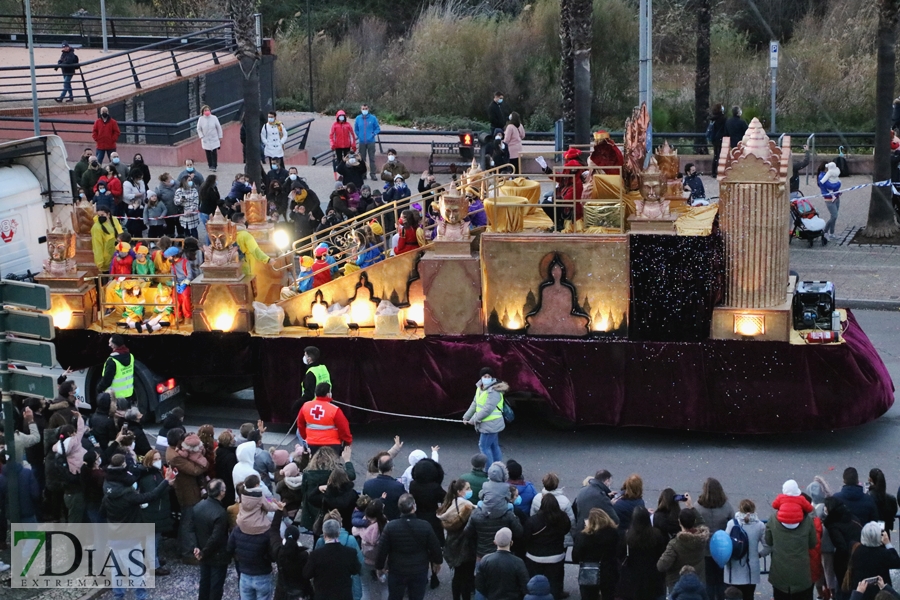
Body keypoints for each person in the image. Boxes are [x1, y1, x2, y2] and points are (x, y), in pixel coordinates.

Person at [101, 453, 176, 599]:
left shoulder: (107, 490)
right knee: (135, 568)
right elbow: (151, 496)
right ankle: (141, 596)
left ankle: (118, 595)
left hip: (113, 535)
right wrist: (166, 481)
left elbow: (102, 512)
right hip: (129, 535)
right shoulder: (128, 494)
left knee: (117, 568)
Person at [374, 493, 443, 600]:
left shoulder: (391, 526)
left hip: (397, 569)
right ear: (413, 507)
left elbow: (382, 549)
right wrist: (437, 561)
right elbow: (435, 546)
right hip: (419, 569)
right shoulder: (425, 525)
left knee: (395, 596)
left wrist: (379, 567)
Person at [227, 486, 280, 600]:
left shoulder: (238, 528)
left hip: (245, 575)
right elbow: (273, 556)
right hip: (262, 575)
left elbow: (229, 548)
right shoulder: (266, 530)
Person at [765, 501, 817, 600]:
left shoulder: (773, 519)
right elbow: (812, 543)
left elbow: (768, 541)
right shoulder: (807, 521)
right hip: (802, 574)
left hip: (779, 574)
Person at [615, 506, 669, 600]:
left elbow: (619, 555)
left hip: (632, 578)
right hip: (653, 577)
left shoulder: (627, 536)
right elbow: (662, 553)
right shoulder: (657, 535)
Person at [523, 493, 570, 598]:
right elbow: (566, 530)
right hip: (556, 556)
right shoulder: (563, 518)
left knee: (534, 580)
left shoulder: (533, 520)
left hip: (535, 556)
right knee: (555, 582)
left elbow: (526, 537)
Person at [190, 479, 231, 600]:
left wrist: (196, 547)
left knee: (204, 583)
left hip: (203, 552)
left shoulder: (197, 506)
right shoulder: (220, 513)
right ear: (221, 493)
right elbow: (216, 538)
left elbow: (191, 529)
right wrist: (202, 552)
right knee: (216, 587)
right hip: (216, 555)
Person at [695, 477, 734, 600]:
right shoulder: (726, 506)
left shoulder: (698, 507)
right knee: (722, 579)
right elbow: (733, 523)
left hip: (705, 549)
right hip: (723, 548)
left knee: (708, 581)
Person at [723, 499, 770, 600]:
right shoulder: (760, 525)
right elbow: (768, 546)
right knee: (749, 596)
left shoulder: (732, 524)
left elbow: (724, 544)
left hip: (733, 570)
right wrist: (759, 554)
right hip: (751, 572)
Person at [304, 518, 361, 600]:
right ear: (338, 533)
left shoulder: (315, 555)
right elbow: (356, 570)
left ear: (324, 534)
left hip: (323, 596)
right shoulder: (350, 553)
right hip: (344, 596)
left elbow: (307, 574)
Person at [462, 367, 508, 466]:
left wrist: (474, 419)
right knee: (493, 446)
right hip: (489, 423)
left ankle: (489, 471)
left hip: (491, 424)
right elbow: (475, 403)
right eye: (484, 376)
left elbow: (487, 409)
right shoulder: (480, 388)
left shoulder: (494, 390)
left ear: (492, 378)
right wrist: (466, 416)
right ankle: (498, 468)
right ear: (481, 377)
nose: (486, 378)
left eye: (489, 376)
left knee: (484, 447)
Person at [657, 507, 710, 592]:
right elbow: (702, 523)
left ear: (679, 522)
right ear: (694, 521)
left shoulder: (674, 544)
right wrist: (692, 507)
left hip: (677, 586)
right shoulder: (702, 539)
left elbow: (661, 566)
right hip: (698, 583)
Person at [440, 479, 477, 600]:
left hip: (453, 544)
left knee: (457, 575)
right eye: (467, 489)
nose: (470, 491)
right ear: (459, 492)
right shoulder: (466, 506)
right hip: (466, 545)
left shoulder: (449, 505)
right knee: (467, 577)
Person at [138, 450, 174, 576]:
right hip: (153, 512)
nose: (158, 461)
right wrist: (166, 482)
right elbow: (154, 494)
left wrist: (167, 484)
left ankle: (154, 560)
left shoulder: (152, 473)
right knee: (153, 540)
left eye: (159, 458)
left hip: (155, 511)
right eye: (155, 459)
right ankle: (154, 565)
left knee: (154, 539)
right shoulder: (150, 476)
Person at [573, 508, 620, 600]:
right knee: (609, 595)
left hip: (589, 571)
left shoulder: (583, 536)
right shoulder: (613, 533)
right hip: (609, 570)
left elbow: (575, 556)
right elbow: (618, 551)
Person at [296, 381, 352, 455]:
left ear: (315, 393)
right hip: (331, 445)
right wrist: (347, 442)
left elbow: (300, 425)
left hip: (311, 444)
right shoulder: (335, 410)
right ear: (328, 394)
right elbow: (344, 429)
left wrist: (306, 438)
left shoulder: (305, 406)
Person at [474, 527, 530, 600]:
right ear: (511, 543)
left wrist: (489, 595)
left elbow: (479, 585)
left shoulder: (485, 560)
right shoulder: (518, 562)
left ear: (495, 542)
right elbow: (525, 585)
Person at [847, 522, 900, 600]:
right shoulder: (883, 554)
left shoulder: (856, 550)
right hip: (881, 591)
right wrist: (888, 543)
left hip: (862, 589)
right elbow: (897, 562)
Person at [823, 496, 863, 594]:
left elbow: (841, 547)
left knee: (844, 587)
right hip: (859, 552)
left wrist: (837, 562)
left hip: (845, 561)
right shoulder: (851, 516)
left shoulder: (833, 526)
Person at [364, 455, 407, 521]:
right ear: (391, 468)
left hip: (372, 521)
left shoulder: (368, 485)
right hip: (392, 521)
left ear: (378, 468)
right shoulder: (398, 487)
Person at [96, 334, 135, 403]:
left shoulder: (112, 361)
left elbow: (107, 380)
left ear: (114, 345)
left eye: (110, 343)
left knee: (116, 413)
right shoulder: (131, 356)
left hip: (115, 397)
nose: (109, 345)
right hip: (128, 395)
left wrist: (99, 388)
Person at [90, 206, 123, 272]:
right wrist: (100, 262)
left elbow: (120, 233)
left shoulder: (114, 220)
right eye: (98, 215)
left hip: (117, 256)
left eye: (102, 215)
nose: (100, 217)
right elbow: (97, 245)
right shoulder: (96, 227)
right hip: (106, 260)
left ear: (108, 214)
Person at [817, 162, 843, 241]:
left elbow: (835, 184)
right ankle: (825, 232)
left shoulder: (830, 175)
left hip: (836, 197)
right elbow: (831, 186)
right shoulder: (822, 176)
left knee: (834, 217)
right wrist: (838, 184)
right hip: (829, 198)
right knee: (834, 216)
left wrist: (838, 191)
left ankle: (832, 233)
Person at [355, 104, 381, 181]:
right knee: (362, 159)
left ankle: (373, 174)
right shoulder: (358, 118)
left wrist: (373, 134)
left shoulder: (373, 118)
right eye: (363, 108)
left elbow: (377, 128)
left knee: (372, 159)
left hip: (371, 142)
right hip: (362, 142)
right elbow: (356, 129)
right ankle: (363, 174)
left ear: (368, 109)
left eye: (366, 108)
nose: (364, 110)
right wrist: (359, 136)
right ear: (361, 109)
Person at [196, 105, 223, 172]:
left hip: (214, 138)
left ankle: (214, 165)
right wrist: (201, 136)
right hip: (205, 138)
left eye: (208, 110)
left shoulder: (214, 118)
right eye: (205, 110)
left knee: (214, 152)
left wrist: (220, 137)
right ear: (202, 112)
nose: (207, 112)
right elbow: (198, 128)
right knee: (208, 152)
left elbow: (218, 127)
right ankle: (210, 165)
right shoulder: (201, 119)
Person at [174, 174, 201, 239]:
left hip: (192, 214)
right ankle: (187, 243)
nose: (190, 182)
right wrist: (180, 200)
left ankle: (195, 242)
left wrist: (190, 210)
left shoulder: (194, 190)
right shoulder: (179, 191)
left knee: (194, 230)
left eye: (191, 180)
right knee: (186, 230)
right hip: (184, 214)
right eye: (189, 180)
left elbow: (196, 202)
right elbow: (175, 202)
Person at [198, 174, 221, 242]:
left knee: (211, 231)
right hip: (207, 213)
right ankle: (209, 245)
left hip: (210, 212)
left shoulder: (213, 188)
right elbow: (214, 200)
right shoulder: (208, 190)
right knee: (210, 231)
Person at [709, 104, 727, 168]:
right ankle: (719, 169)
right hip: (721, 138)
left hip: (714, 138)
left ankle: (714, 170)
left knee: (716, 155)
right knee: (720, 154)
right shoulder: (723, 119)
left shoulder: (713, 119)